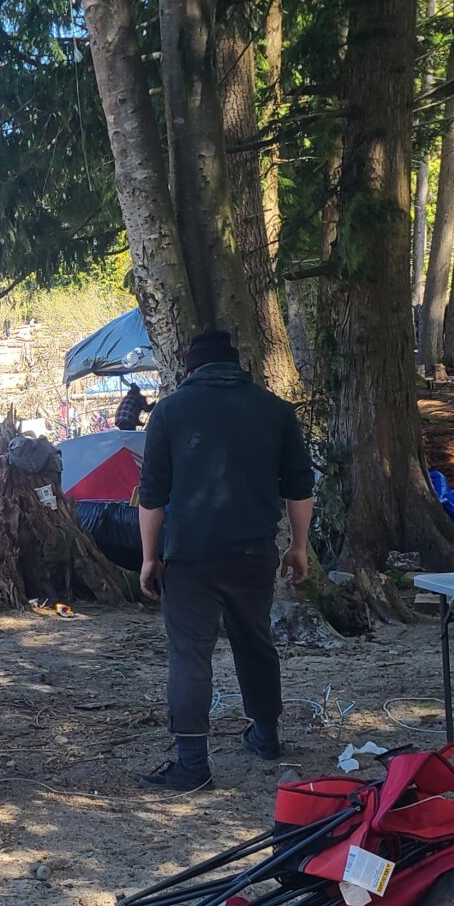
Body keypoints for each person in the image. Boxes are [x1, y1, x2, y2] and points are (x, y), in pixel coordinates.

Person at [136, 328, 314, 793]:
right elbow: (300, 488)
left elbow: (152, 496)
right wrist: (298, 547)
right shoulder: (275, 410)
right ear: (237, 365)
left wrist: (149, 558)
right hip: (254, 553)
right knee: (255, 642)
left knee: (190, 654)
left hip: (190, 557)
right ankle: (266, 736)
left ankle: (192, 764)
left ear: (190, 368)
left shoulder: (170, 412)